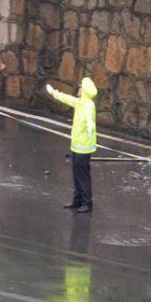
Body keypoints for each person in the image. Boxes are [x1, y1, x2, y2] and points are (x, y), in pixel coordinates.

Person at [46, 77, 98, 213]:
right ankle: (77, 200)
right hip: (77, 146)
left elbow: (89, 119)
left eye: (80, 88)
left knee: (82, 176)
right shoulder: (80, 103)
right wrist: (54, 93)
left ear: (84, 91)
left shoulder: (88, 105)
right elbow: (67, 98)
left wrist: (90, 128)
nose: (78, 90)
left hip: (84, 148)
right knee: (76, 175)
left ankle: (87, 203)